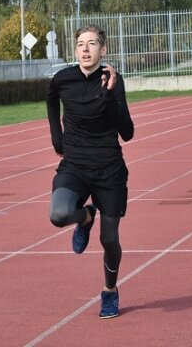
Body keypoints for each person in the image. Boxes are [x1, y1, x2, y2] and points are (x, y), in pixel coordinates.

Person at [46, 24, 135, 319]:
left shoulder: (112, 80)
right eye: (81, 44)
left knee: (109, 239)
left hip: (109, 169)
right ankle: (85, 216)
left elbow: (127, 132)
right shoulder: (63, 79)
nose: (85, 49)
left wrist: (109, 94)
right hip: (75, 165)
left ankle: (110, 291)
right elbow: (50, 100)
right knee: (59, 214)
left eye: (92, 43)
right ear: (75, 50)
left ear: (103, 50)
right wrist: (56, 138)